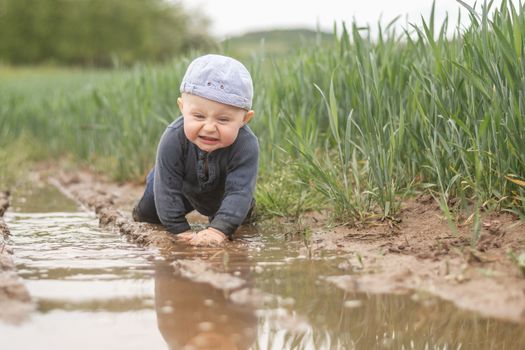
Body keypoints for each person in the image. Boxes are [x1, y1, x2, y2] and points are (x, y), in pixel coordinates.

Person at [132, 54, 258, 246]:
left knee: (239, 210)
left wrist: (218, 230)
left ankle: (223, 220)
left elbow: (239, 192)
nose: (209, 127)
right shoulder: (173, 138)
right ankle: (150, 214)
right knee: (148, 214)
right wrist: (180, 231)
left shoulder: (246, 145)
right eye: (198, 116)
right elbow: (167, 191)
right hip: (178, 186)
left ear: (245, 119)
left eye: (223, 120)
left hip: (222, 190)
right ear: (182, 108)